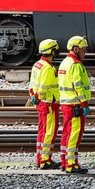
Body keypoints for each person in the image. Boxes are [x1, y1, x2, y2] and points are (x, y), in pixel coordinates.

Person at [58, 35, 91, 174]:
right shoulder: (76, 65)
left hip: (66, 104)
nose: (85, 52)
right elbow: (78, 87)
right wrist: (84, 105)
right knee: (74, 135)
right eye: (83, 49)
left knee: (66, 133)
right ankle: (72, 164)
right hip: (75, 106)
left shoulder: (65, 62)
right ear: (76, 49)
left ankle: (64, 161)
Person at [28, 39, 61, 170]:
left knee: (42, 131)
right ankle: (45, 161)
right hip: (48, 104)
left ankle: (40, 158)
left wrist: (33, 97)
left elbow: (32, 85)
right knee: (49, 132)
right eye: (55, 49)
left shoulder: (38, 64)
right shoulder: (48, 68)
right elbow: (43, 87)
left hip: (41, 103)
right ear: (52, 51)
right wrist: (40, 96)